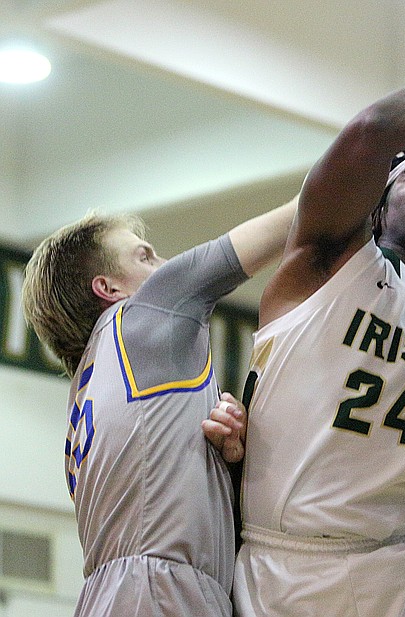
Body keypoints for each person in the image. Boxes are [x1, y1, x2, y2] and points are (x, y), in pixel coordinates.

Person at [215, 66, 405, 616]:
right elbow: (369, 134)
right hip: (286, 561)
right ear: (378, 210)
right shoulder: (321, 270)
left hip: (402, 561)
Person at [21, 198, 296, 617]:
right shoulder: (143, 313)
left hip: (117, 593)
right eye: (144, 256)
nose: (163, 263)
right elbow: (303, 214)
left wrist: (229, 467)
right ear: (109, 289)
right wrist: (387, 166)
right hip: (155, 593)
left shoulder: (91, 386)